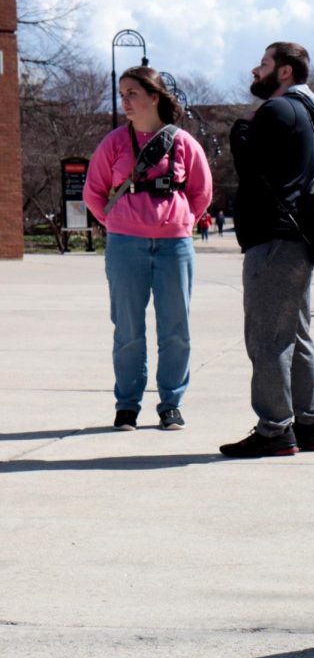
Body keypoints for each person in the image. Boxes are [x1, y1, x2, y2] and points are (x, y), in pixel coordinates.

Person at [84, 66, 212, 432]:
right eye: (121, 94)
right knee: (127, 328)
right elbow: (93, 192)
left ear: (154, 97)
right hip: (125, 245)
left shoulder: (184, 143)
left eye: (132, 94)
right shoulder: (114, 143)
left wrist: (180, 219)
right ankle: (127, 405)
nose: (124, 101)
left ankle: (171, 403)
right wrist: (120, 224)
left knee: (176, 327)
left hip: (175, 245)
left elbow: (201, 193)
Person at [219, 41, 314, 458]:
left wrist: (242, 127)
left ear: (284, 72)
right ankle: (311, 424)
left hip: (273, 240)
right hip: (296, 241)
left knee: (267, 337)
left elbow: (248, 163)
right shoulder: (305, 112)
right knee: (295, 334)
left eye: (264, 63)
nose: (255, 70)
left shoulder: (279, 111)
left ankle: (274, 429)